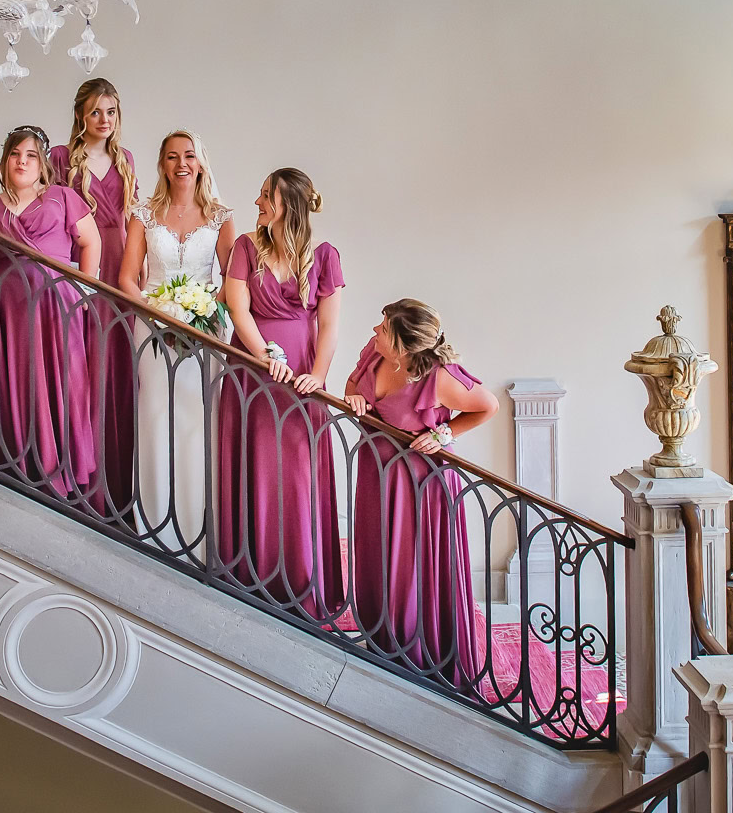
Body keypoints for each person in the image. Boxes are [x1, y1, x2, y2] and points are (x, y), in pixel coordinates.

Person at [343, 299, 497, 688]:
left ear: (403, 344)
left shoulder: (439, 378)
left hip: (420, 485)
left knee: (412, 568)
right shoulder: (372, 352)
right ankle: (382, 642)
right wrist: (355, 398)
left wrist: (443, 434)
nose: (376, 330)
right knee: (377, 556)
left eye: (383, 327)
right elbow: (350, 383)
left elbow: (487, 406)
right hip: (375, 475)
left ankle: (419, 656)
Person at [218, 168, 345, 618]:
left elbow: (329, 326)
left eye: (265, 196)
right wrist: (265, 352)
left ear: (286, 204)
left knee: (297, 475)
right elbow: (237, 307)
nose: (257, 202)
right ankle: (251, 575)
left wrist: (317, 375)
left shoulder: (325, 256)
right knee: (254, 464)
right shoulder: (246, 248)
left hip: (303, 377)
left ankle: (302, 577)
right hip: (253, 369)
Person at [0, 126, 101, 500]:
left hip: (57, 307)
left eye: (30, 155)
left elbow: (91, 241)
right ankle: (13, 464)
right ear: (5, 160)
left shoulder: (62, 197)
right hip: (6, 311)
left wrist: (81, 289)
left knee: (64, 382)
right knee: (10, 380)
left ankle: (60, 471)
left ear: (42, 164)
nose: (22, 161)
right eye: (15, 154)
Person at [120, 130, 235, 557]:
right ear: (162, 164)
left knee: (196, 423)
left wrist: (202, 314)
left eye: (189, 156)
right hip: (152, 331)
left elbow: (231, 283)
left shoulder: (222, 217)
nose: (181, 163)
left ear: (201, 162)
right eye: (171, 157)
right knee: (155, 417)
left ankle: (197, 535)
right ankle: (155, 528)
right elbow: (127, 278)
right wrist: (158, 313)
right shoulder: (144, 214)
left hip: (204, 334)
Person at [52, 78, 139, 512]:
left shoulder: (126, 160)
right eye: (95, 113)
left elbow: (133, 221)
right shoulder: (62, 159)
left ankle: (119, 482)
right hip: (83, 259)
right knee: (81, 365)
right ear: (80, 116)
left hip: (119, 262)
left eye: (111, 112)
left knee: (116, 367)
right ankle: (80, 475)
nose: (104, 121)